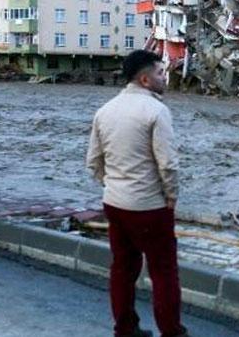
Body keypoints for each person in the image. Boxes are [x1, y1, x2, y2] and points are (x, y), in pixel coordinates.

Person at [87, 50, 187, 337]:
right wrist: (171, 196)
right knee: (163, 272)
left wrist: (114, 184)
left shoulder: (105, 111)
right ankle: (171, 331)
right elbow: (167, 163)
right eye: (159, 73)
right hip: (150, 206)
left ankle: (126, 329)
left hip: (115, 203)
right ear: (145, 79)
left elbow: (93, 161)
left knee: (122, 269)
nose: (164, 77)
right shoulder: (156, 111)